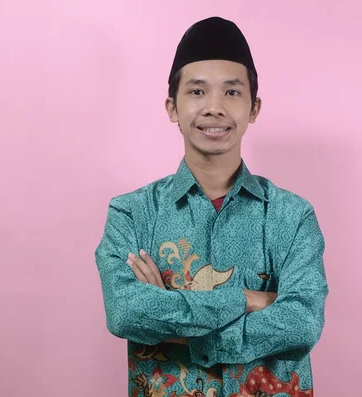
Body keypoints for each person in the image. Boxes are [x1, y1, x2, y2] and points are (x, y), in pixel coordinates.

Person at [95, 16, 329, 397]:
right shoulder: (132, 214)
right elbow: (125, 312)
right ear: (173, 107)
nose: (215, 108)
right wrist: (246, 299)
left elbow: (302, 322)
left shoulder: (292, 216)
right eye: (198, 92)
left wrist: (172, 314)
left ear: (253, 108)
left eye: (232, 93)